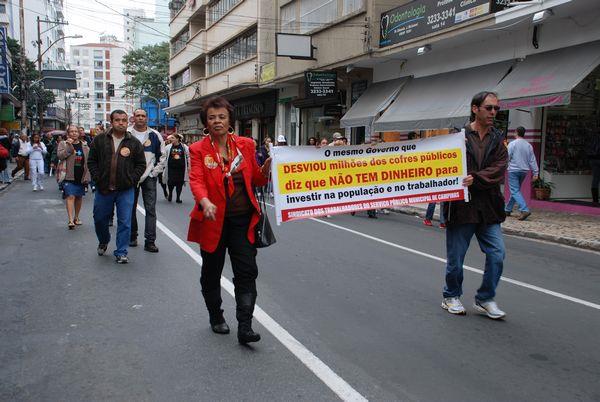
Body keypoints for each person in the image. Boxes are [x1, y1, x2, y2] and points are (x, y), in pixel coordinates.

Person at [187, 96, 271, 344]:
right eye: (212, 117)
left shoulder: (245, 145)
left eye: (221, 116)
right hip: (212, 221)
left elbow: (256, 179)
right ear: (206, 122)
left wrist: (265, 170)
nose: (217, 121)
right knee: (211, 273)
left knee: (246, 272)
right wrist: (204, 201)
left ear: (229, 119)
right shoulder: (198, 149)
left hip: (243, 221)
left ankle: (245, 326)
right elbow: (196, 180)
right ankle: (216, 317)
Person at [442, 91, 508, 320]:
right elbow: (444, 165)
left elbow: (500, 167)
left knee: (498, 254)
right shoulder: (457, 137)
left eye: (496, 109)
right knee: (456, 259)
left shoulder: (498, 139)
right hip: (461, 207)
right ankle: (451, 295)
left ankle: (485, 298)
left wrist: (476, 178)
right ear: (475, 109)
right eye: (489, 108)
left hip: (489, 208)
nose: (493, 112)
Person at [87, 110, 146, 264]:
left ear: (128, 122)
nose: (121, 123)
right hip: (104, 188)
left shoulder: (133, 142)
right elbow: (91, 161)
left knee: (125, 222)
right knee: (99, 219)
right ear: (111, 122)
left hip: (125, 190)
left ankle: (121, 251)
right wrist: (97, 178)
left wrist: (132, 179)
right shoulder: (100, 140)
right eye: (117, 120)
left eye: (124, 120)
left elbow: (141, 164)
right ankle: (104, 240)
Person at [127, 108, 165, 252]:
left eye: (143, 116)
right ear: (133, 118)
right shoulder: (127, 134)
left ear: (147, 118)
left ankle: (150, 241)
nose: (141, 118)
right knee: (130, 207)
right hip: (131, 177)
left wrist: (154, 173)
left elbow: (162, 157)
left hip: (149, 177)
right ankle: (132, 236)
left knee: (151, 209)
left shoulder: (155, 135)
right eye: (138, 116)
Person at [57, 125, 90, 229]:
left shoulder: (84, 146)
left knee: (79, 197)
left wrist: (88, 175)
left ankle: (76, 217)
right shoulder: (63, 144)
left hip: (81, 176)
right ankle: (70, 220)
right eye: (71, 131)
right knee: (70, 196)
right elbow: (61, 156)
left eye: (76, 131)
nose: (74, 133)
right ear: (68, 133)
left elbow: (88, 162)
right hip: (68, 175)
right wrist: (68, 146)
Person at [504, 126, 539, 220]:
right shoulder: (528, 145)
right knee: (516, 191)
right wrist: (536, 172)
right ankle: (507, 209)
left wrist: (504, 166)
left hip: (513, 170)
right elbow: (532, 160)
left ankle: (524, 209)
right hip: (524, 171)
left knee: (514, 190)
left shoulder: (512, 144)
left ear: (516, 132)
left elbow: (507, 156)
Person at [153, 133, 189, 203]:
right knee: (170, 182)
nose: (170, 139)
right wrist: (161, 165)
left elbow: (188, 156)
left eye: (173, 138)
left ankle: (178, 198)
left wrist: (189, 165)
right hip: (171, 168)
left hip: (181, 169)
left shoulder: (184, 147)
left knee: (180, 183)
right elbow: (163, 156)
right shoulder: (168, 147)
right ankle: (170, 195)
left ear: (177, 139)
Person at [586, 131, 600, 204]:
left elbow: (589, 148)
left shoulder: (593, 137)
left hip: (593, 159)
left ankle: (595, 200)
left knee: (595, 179)